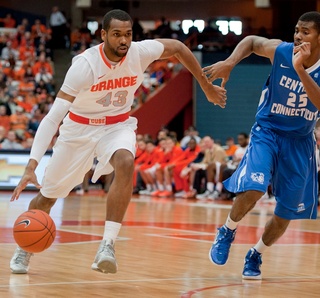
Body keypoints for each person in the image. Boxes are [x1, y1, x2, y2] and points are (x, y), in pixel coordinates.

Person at [9, 9, 226, 275]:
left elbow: (179, 48)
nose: (123, 40)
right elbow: (52, 119)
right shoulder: (84, 66)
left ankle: (107, 245)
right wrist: (32, 165)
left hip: (117, 125)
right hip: (79, 129)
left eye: (128, 34)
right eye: (116, 35)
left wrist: (204, 86)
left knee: (125, 160)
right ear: (103, 35)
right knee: (47, 198)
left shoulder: (139, 52)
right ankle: (24, 248)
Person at [203, 11, 320, 280]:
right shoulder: (281, 51)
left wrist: (300, 69)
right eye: (297, 30)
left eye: (306, 32)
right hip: (268, 131)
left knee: (286, 211)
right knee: (254, 186)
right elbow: (252, 41)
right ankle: (227, 231)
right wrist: (231, 62)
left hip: (300, 142)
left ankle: (255, 254)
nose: (298, 36)